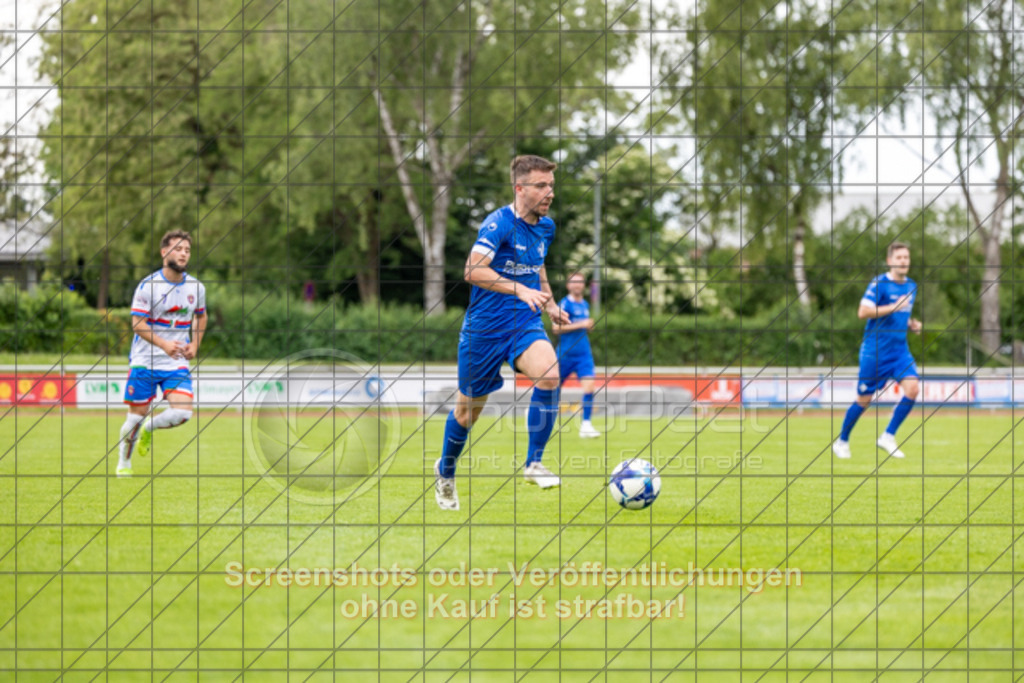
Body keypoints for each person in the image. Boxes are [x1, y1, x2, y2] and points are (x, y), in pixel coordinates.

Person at [433, 154, 571, 510]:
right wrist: (519, 290)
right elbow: (472, 270)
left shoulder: (546, 227)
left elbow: (537, 265)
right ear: (519, 188)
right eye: (541, 186)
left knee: (550, 375)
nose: (549, 193)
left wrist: (551, 305)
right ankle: (445, 472)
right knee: (468, 414)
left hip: (523, 324)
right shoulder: (498, 224)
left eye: (551, 186)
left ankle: (534, 463)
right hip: (483, 332)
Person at [116, 230, 207, 476]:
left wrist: (195, 345)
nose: (184, 254)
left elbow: (201, 316)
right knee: (133, 420)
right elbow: (138, 324)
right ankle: (124, 463)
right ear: (164, 252)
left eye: (187, 250)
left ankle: (149, 428)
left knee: (183, 413)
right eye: (178, 248)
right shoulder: (148, 286)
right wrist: (164, 344)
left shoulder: (196, 287)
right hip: (144, 361)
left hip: (175, 364)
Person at [833, 241, 921, 460]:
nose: (903, 261)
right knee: (864, 400)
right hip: (875, 352)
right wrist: (893, 307)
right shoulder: (879, 283)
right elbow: (863, 312)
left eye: (906, 258)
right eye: (899, 258)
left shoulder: (911, 286)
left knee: (913, 389)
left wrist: (911, 323)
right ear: (890, 261)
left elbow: (901, 313)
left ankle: (888, 436)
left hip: (900, 351)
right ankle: (842, 440)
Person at [553, 272, 600, 438]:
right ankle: (541, 417)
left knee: (589, 387)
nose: (577, 285)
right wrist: (581, 324)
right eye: (574, 282)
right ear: (568, 285)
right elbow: (556, 328)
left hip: (583, 354)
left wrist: (587, 327)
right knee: (552, 389)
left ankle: (586, 425)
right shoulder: (564, 305)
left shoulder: (585, 304)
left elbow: (582, 327)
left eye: (580, 282)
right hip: (565, 354)